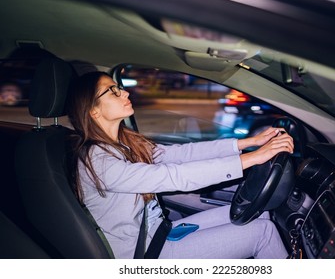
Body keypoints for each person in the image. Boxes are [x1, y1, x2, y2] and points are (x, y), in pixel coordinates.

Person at [67, 71, 294, 259]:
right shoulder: (97, 162)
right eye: (113, 91)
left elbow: (184, 154)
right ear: (93, 110)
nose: (124, 92)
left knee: (259, 215)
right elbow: (174, 176)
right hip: (146, 255)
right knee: (263, 232)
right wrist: (254, 158)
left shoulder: (124, 144)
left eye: (119, 88)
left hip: (159, 233)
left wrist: (249, 143)